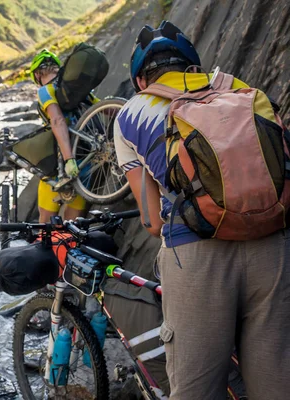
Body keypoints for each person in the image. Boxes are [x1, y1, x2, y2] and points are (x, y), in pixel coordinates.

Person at [113, 20, 290, 399]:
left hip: (196, 255)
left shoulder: (131, 113)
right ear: (193, 66)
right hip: (273, 245)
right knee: (276, 384)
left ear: (141, 79)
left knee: (197, 389)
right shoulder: (239, 88)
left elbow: (150, 221)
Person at [29, 49, 98, 223]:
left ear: (37, 74)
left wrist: (69, 159)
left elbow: (57, 120)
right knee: (73, 226)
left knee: (46, 223)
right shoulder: (77, 90)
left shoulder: (46, 90)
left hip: (57, 165)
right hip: (86, 161)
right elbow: (105, 106)